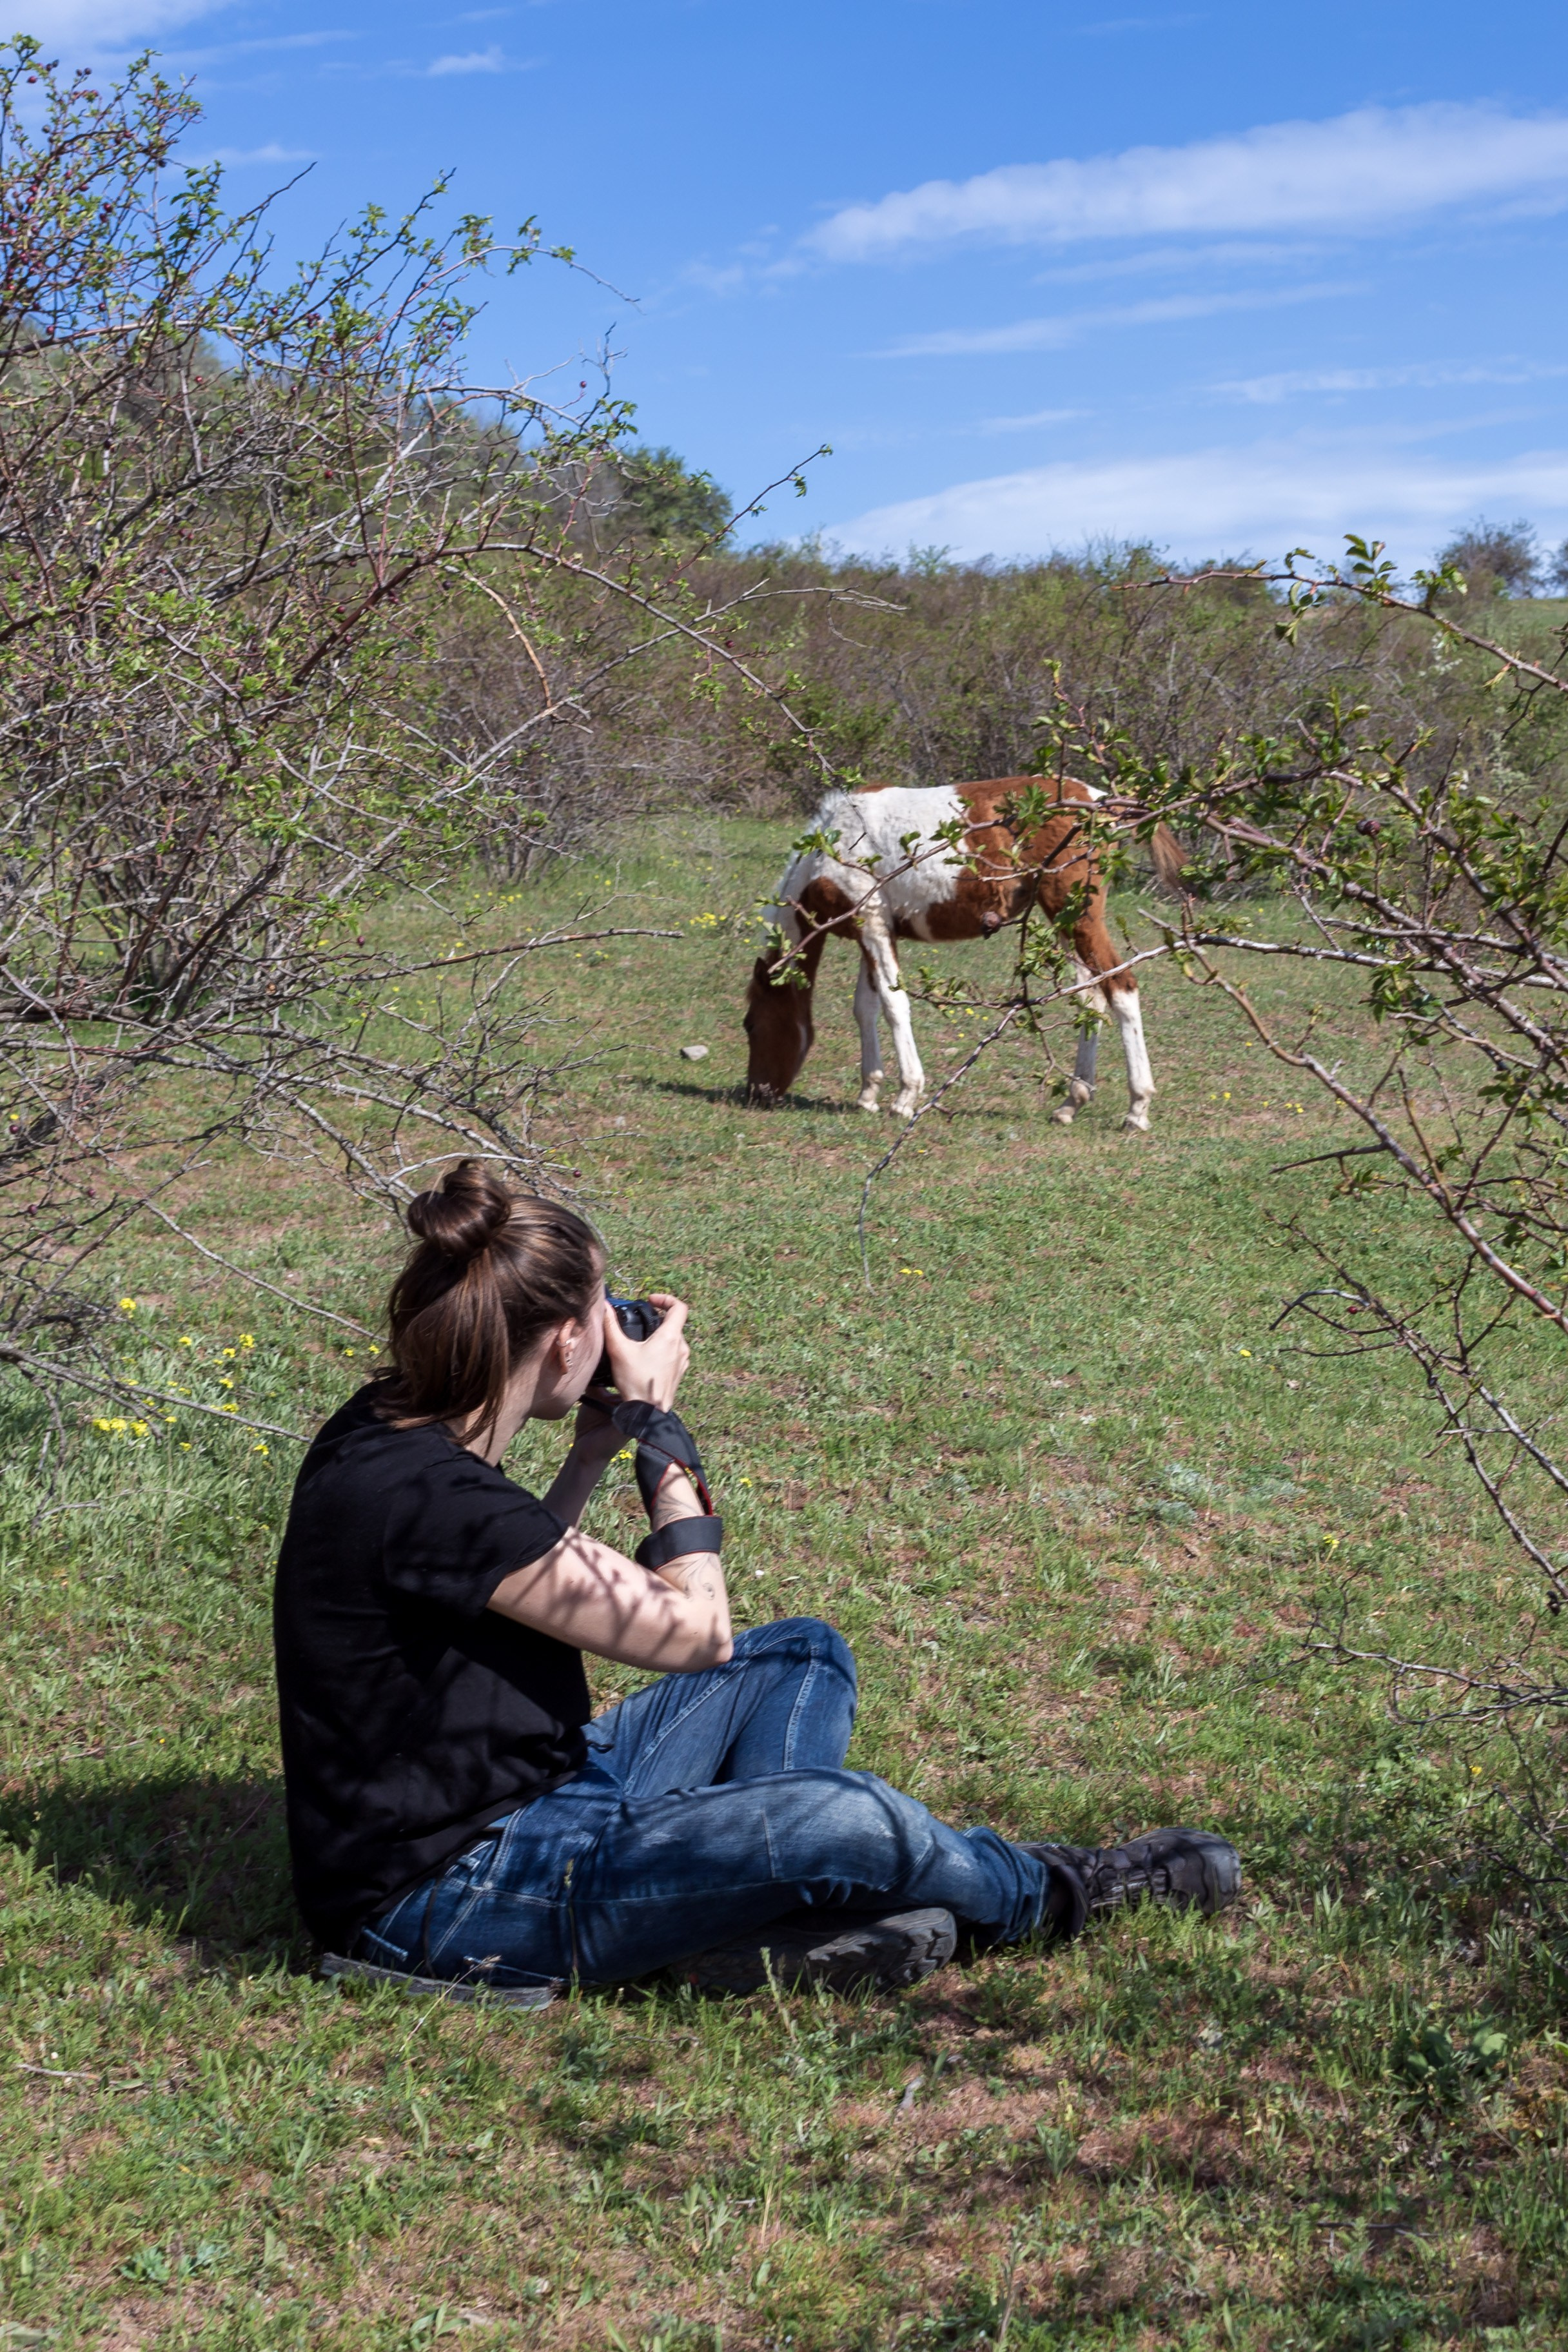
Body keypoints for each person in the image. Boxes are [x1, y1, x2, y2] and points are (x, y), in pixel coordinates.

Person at [273, 1161, 1240, 1999]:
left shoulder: (386, 1428)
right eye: (602, 1313)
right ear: (567, 1341)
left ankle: (735, 1916)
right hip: (455, 1896)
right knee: (846, 1816)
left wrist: (589, 1454)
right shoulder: (431, 1498)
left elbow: (500, 1574)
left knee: (800, 1658)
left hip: (543, 1794)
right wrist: (657, 1432)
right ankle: (1053, 1893)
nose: (616, 1334)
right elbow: (697, 1637)